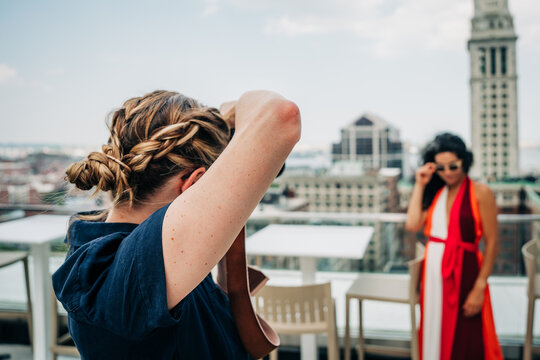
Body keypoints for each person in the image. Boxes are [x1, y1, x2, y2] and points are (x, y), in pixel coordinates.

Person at [52, 89, 301, 359]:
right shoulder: (133, 270)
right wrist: (233, 111)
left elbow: (263, 158)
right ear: (193, 184)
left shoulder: (121, 252)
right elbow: (281, 117)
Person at [405, 133, 503, 360]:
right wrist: (420, 184)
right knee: (434, 330)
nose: (447, 172)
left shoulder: (481, 192)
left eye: (453, 165)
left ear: (464, 161)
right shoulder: (437, 191)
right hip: (432, 276)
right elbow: (412, 224)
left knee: (468, 338)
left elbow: (493, 242)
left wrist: (479, 287)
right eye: (440, 168)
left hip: (466, 272)